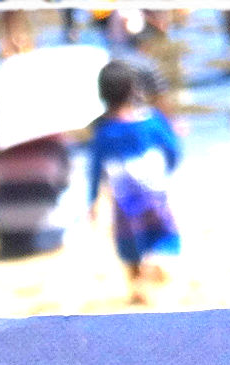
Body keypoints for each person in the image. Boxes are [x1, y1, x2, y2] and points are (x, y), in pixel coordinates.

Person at [87, 59, 181, 306]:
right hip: (153, 189)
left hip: (123, 194)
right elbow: (173, 149)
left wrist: (93, 199)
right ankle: (152, 266)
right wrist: (168, 170)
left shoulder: (103, 131)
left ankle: (136, 285)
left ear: (102, 94)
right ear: (134, 89)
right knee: (164, 234)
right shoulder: (151, 120)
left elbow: (95, 168)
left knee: (129, 242)